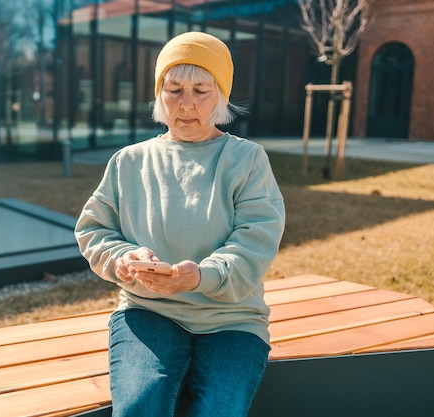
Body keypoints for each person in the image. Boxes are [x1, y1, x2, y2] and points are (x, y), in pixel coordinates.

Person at [74, 31, 285, 417]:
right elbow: (94, 230)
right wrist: (122, 258)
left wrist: (199, 277)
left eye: (201, 90)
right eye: (174, 89)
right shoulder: (129, 161)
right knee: (139, 408)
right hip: (148, 310)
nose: (186, 104)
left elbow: (255, 242)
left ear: (220, 95)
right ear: (159, 94)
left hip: (232, 318)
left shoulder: (248, 160)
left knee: (220, 410)